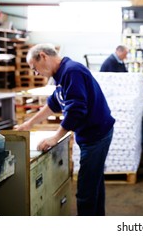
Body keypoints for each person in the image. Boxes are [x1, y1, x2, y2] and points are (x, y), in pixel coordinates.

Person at [14, 43, 115, 216]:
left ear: (43, 56)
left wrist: (56, 137)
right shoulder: (61, 75)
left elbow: (77, 109)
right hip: (91, 134)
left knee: (85, 191)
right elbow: (53, 104)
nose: (35, 73)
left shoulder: (71, 71)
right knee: (94, 184)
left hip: (96, 135)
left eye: (34, 68)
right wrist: (28, 124)